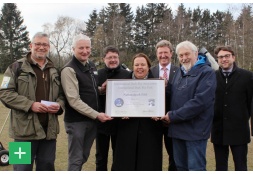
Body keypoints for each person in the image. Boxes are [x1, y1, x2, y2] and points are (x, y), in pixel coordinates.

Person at [0, 32, 65, 171]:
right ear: (31, 46)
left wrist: (59, 106)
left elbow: (61, 95)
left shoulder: (55, 70)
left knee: (47, 168)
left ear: (49, 47)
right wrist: (30, 105)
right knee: (20, 169)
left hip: (49, 131)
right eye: (38, 44)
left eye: (45, 44)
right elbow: (5, 93)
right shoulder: (15, 67)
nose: (41, 47)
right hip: (22, 132)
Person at [161, 41, 216, 171]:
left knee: (195, 168)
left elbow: (199, 102)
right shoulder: (179, 72)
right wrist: (159, 88)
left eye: (187, 54)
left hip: (195, 132)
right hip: (177, 130)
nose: (184, 58)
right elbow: (173, 94)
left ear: (196, 53)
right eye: (181, 55)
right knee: (180, 167)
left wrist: (173, 116)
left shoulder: (206, 73)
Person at [61, 34, 113, 171]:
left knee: (83, 156)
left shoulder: (90, 65)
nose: (85, 51)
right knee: (76, 159)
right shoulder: (69, 69)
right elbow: (74, 100)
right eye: (81, 48)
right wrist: (97, 115)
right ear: (73, 49)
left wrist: (102, 89)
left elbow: (90, 90)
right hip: (77, 122)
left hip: (91, 121)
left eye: (87, 47)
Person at [112, 53, 163, 171]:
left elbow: (164, 105)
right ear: (133, 66)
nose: (140, 67)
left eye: (143, 65)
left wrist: (159, 114)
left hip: (150, 131)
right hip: (127, 130)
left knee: (148, 164)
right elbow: (116, 104)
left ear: (148, 67)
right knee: (125, 164)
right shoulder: (122, 84)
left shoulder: (157, 84)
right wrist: (119, 113)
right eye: (137, 65)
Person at [211, 46, 253, 171]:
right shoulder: (212, 77)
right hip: (218, 130)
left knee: (240, 166)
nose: (224, 59)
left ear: (233, 57)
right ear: (217, 59)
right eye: (220, 57)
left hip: (239, 130)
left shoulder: (248, 76)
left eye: (227, 56)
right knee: (220, 167)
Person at [96, 46, 130, 171]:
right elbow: (92, 96)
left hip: (121, 123)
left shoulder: (127, 74)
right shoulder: (97, 74)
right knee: (100, 157)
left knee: (119, 156)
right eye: (109, 57)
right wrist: (101, 90)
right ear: (103, 58)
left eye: (115, 57)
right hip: (102, 121)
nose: (113, 60)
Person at [150, 40, 178, 171]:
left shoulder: (179, 71)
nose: (163, 55)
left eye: (166, 52)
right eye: (160, 53)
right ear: (156, 54)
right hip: (153, 122)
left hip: (172, 121)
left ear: (171, 53)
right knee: (153, 154)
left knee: (174, 155)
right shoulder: (150, 71)